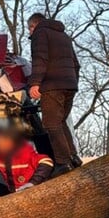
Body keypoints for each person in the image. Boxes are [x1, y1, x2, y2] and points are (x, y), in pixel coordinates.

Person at [26, 13, 81, 174]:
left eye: (29, 29)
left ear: (33, 26)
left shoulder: (40, 33)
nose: (30, 33)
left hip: (52, 85)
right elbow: (76, 64)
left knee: (51, 123)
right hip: (70, 85)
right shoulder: (64, 36)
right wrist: (72, 82)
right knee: (61, 121)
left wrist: (35, 83)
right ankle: (73, 157)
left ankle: (63, 163)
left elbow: (40, 59)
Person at [0, 127, 54, 193]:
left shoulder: (26, 154)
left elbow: (47, 161)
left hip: (35, 189)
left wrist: (33, 183)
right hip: (14, 192)